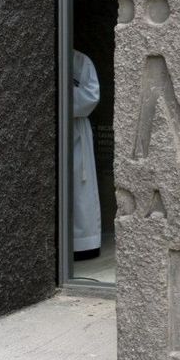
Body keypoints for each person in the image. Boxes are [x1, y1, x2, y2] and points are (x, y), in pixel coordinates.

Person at [72, 49, 101, 259]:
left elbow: (91, 96)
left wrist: (64, 93)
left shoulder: (81, 61)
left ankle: (84, 243)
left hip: (75, 129)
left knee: (80, 188)